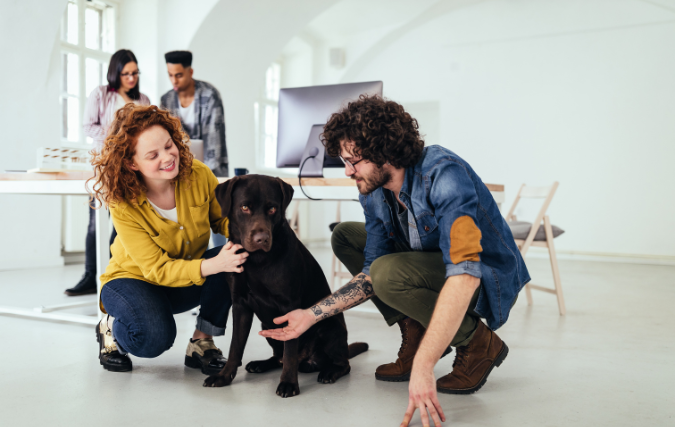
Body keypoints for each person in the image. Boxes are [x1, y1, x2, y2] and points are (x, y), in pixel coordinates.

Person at [259, 95, 529, 427]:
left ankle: (476, 342)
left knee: (389, 274)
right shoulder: (373, 192)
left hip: (485, 277)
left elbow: (465, 273)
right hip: (435, 266)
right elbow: (370, 273)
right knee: (346, 235)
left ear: (384, 150)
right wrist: (311, 316)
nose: (348, 172)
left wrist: (424, 364)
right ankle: (415, 331)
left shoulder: (444, 173)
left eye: (353, 161)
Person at [87, 104, 247, 373]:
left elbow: (222, 221)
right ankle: (110, 329)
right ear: (131, 163)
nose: (168, 157)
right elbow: (157, 268)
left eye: (169, 145)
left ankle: (201, 343)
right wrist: (213, 265)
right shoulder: (123, 204)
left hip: (181, 278)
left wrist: (254, 230)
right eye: (153, 155)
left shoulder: (198, 174)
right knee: (153, 340)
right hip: (131, 281)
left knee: (237, 253)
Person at [65, 49, 151, 296]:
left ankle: (118, 273)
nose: (132, 78)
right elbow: (88, 126)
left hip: (133, 168)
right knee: (95, 224)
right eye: (126, 73)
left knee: (123, 222)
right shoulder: (100, 94)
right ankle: (89, 276)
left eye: (135, 73)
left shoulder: (143, 99)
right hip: (104, 167)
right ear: (115, 73)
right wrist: (118, 138)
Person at [160, 50, 229, 247]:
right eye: (170, 75)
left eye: (179, 75)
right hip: (179, 171)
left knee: (217, 217)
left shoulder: (210, 95)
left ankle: (223, 260)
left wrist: (203, 176)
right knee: (190, 223)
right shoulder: (167, 100)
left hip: (212, 169)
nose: (174, 80)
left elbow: (214, 143)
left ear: (190, 72)